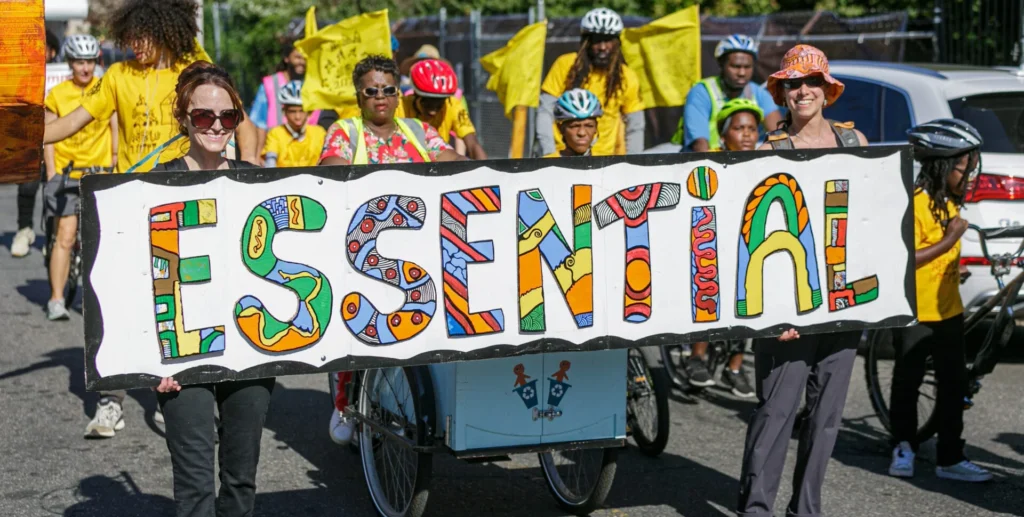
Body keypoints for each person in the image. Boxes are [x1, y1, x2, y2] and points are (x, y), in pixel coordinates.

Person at [737, 44, 868, 517]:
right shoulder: (767, 151)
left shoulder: (857, 144)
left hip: (841, 307)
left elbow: (871, 225)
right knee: (776, 413)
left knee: (827, 419)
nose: (803, 91)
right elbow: (748, 239)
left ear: (827, 91)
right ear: (783, 93)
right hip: (783, 312)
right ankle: (756, 509)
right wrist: (772, 314)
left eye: (812, 82)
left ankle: (806, 510)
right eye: (793, 84)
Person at [321, 55, 463, 444]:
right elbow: (332, 169)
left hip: (421, 250)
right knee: (357, 330)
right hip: (366, 254)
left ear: (399, 95)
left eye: (388, 90)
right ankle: (344, 399)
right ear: (359, 96)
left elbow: (454, 162)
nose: (380, 97)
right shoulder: (345, 132)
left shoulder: (418, 131)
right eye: (371, 91)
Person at [153, 61, 273, 517]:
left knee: (241, 482)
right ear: (184, 118)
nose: (217, 126)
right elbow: (134, 278)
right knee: (195, 488)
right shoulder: (153, 183)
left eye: (229, 117)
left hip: (251, 346)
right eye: (204, 116)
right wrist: (148, 359)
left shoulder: (257, 181)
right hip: (181, 353)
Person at [887, 118, 993, 482]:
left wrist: (954, 265)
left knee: (953, 384)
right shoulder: (914, 203)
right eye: (965, 169)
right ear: (942, 166)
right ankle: (903, 445)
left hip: (948, 309)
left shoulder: (948, 203)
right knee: (908, 380)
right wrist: (949, 241)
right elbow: (905, 257)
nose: (970, 177)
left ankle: (951, 456)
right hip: (916, 310)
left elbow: (938, 254)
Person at [43, 0, 258, 174]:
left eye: (142, 37)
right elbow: (72, 121)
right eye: (130, 38)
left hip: (182, 182)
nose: (135, 45)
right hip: (131, 188)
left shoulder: (192, 71)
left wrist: (247, 167)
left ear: (163, 32)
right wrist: (26, 139)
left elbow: (243, 125)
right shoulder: (118, 74)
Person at [680, 99, 764, 397]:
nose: (746, 135)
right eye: (739, 128)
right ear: (723, 134)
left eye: (752, 129)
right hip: (709, 243)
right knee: (709, 287)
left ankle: (735, 367)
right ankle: (696, 357)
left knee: (750, 297)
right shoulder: (708, 162)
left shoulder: (763, 163)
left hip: (746, 243)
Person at [42, 34, 117, 321]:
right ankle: (57, 299)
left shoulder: (103, 90)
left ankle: (98, 299)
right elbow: (48, 136)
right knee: (65, 235)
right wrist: (51, 172)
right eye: (79, 62)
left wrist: (114, 159)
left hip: (98, 174)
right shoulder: (58, 94)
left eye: (89, 62)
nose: (85, 68)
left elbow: (114, 126)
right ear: (70, 63)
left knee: (100, 240)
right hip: (67, 173)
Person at [537, 7, 645, 157]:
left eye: (608, 41)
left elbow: (635, 125)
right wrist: (549, 153)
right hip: (562, 156)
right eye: (596, 40)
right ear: (586, 42)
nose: (602, 47)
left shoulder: (626, 76)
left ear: (617, 43)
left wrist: (634, 163)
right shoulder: (565, 65)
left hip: (604, 161)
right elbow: (545, 112)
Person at [676, 34, 781, 152]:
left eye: (747, 67)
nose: (742, 72)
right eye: (735, 66)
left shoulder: (759, 93)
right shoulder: (702, 92)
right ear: (721, 65)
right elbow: (699, 145)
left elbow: (779, 137)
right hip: (704, 163)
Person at [11, 30, 61, 258]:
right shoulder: (23, 72)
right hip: (30, 140)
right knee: (28, 187)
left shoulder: (63, 75)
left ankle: (51, 234)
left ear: (53, 52)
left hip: (58, 142)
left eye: (46, 49)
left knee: (54, 189)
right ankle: (24, 230)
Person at [401, 59, 488, 159]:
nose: (433, 111)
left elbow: (472, 144)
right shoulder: (400, 106)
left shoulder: (453, 104)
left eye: (439, 104)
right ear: (415, 93)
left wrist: (487, 171)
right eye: (427, 103)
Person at [249, 42, 319, 156]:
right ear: (286, 58)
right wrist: (257, 155)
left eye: (305, 58)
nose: (302, 62)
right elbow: (259, 124)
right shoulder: (270, 84)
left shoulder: (314, 86)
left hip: (308, 154)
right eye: (297, 57)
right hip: (276, 153)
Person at [261, 80, 327, 168]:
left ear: (309, 112)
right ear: (284, 112)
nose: (297, 117)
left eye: (301, 111)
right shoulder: (276, 133)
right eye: (292, 112)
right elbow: (270, 163)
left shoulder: (319, 133)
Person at [545, 88, 602, 157]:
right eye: (575, 126)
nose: (582, 133)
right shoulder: (545, 164)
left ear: (596, 127)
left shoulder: (608, 163)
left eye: (589, 126)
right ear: (561, 129)